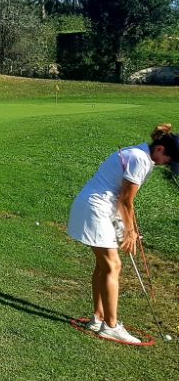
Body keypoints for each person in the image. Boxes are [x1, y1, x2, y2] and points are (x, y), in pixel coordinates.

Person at [66, 124, 179, 344]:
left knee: (103, 265)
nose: (167, 165)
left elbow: (124, 200)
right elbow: (126, 200)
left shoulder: (141, 156)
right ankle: (111, 326)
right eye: (169, 160)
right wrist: (129, 232)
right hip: (95, 208)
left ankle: (98, 318)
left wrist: (131, 230)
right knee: (113, 265)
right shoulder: (140, 159)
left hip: (99, 208)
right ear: (159, 150)